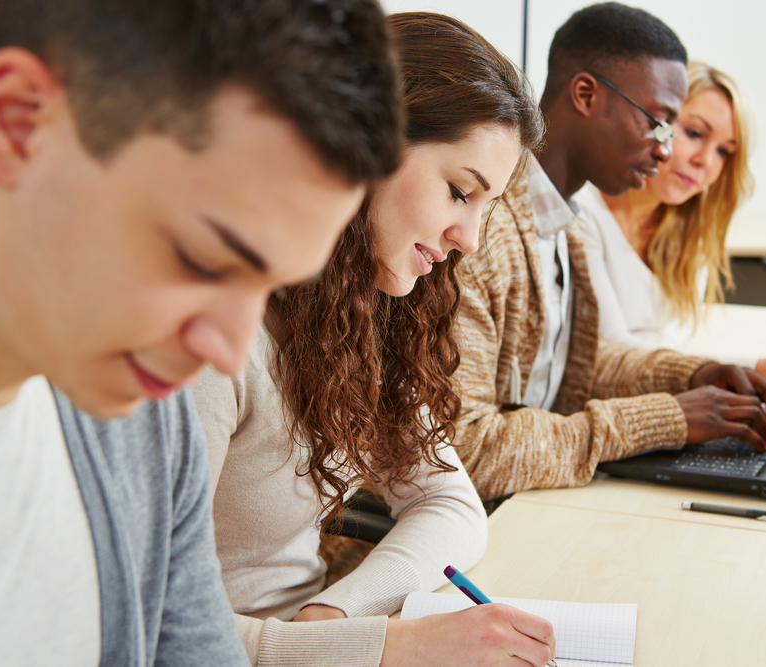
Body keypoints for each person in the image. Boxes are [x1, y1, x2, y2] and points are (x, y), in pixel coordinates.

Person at [0, 1, 401, 664]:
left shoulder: (146, 418)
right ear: (19, 122)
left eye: (270, 286)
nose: (227, 350)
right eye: (202, 259)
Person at [192, 12, 556, 667]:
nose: (468, 238)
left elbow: (449, 501)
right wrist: (387, 646)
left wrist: (337, 614)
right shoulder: (217, 335)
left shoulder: (356, 313)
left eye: (485, 207)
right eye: (458, 192)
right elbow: (159, 626)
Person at [450, 2, 766, 503]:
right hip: (473, 524)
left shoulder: (564, 221)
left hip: (524, 505)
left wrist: (691, 375)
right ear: (586, 95)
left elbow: (575, 362)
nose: (666, 150)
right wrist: (665, 419)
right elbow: (466, 451)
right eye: (659, 121)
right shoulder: (483, 230)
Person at [577, 61, 766, 396]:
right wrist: (751, 372)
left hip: (660, 400)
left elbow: (672, 345)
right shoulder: (582, 213)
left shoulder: (687, 230)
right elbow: (612, 355)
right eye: (694, 134)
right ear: (658, 124)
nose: (706, 162)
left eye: (724, 151)